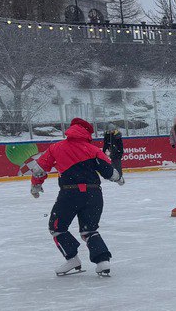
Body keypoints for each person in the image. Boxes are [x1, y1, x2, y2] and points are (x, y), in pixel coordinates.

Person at [26, 117, 122, 277]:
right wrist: (119, 179)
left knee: (56, 228)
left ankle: (72, 258)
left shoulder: (56, 148)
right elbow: (108, 171)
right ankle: (102, 261)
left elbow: (39, 169)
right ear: (87, 133)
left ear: (70, 130)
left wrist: (36, 185)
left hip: (69, 194)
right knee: (89, 229)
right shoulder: (92, 150)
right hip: (94, 194)